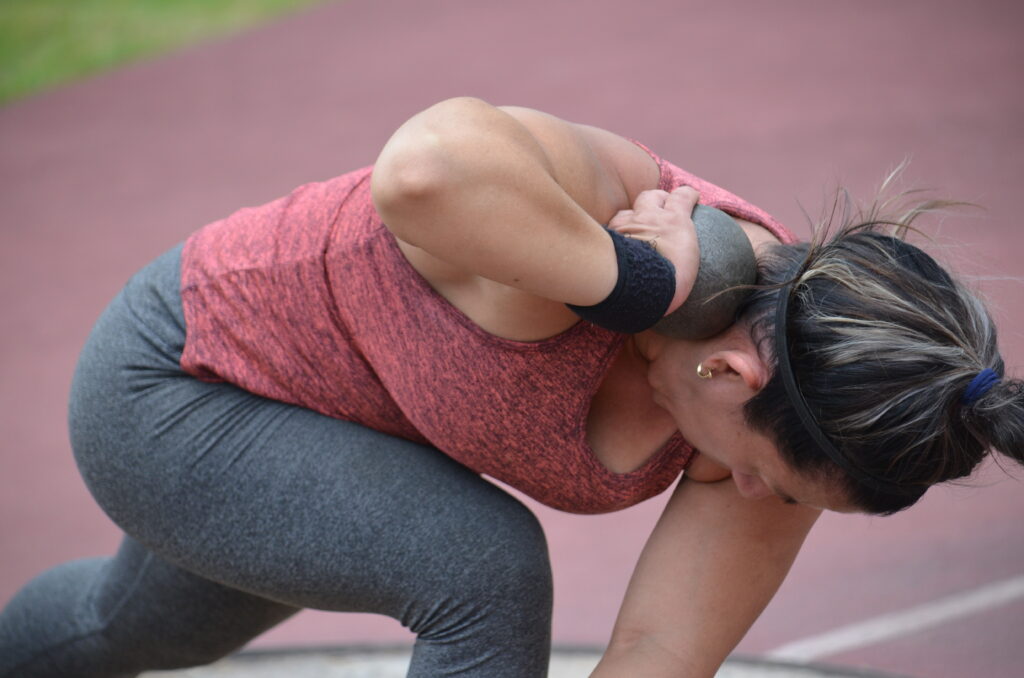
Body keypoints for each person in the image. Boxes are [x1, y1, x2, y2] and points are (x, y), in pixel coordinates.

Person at [1, 96, 1020, 678]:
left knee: (116, 628)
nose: (767, 505)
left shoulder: (795, 404)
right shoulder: (621, 221)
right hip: (181, 383)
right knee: (483, 573)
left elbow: (656, 659)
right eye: (781, 486)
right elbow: (423, 167)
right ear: (725, 371)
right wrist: (633, 286)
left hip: (344, 439)